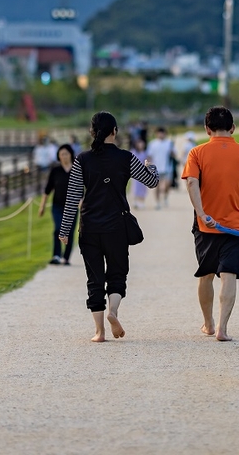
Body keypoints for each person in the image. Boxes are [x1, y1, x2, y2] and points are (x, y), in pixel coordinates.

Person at [59, 111, 159, 342]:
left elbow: (72, 196)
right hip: (116, 226)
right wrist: (150, 166)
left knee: (94, 278)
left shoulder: (82, 159)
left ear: (92, 132)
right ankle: (113, 312)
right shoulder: (126, 157)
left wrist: (64, 230)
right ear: (115, 131)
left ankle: (99, 332)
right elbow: (151, 181)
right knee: (117, 273)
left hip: (90, 227)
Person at [182, 106, 239, 342]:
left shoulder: (196, 153)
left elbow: (191, 183)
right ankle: (222, 328)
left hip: (205, 226)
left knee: (206, 274)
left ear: (206, 129)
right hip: (236, 226)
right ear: (232, 128)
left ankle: (208, 324)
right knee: (228, 275)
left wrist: (202, 213)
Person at [39, 144, 77, 265]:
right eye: (61, 154)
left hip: (72, 207)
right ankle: (56, 255)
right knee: (58, 228)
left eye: (66, 154)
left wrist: (81, 201)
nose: (64, 156)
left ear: (71, 154)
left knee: (70, 231)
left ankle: (66, 257)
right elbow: (47, 190)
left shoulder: (77, 170)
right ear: (58, 156)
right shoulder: (55, 171)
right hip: (57, 206)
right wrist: (42, 207)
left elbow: (81, 189)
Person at [146, 127, 174, 209]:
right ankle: (157, 202)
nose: (161, 134)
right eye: (159, 133)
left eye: (162, 133)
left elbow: (174, 155)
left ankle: (165, 196)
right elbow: (149, 156)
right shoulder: (152, 144)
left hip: (167, 167)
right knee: (157, 186)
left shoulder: (169, 143)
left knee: (167, 185)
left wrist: (172, 153)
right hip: (156, 168)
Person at [130, 137, 150, 210]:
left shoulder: (145, 153)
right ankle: (135, 201)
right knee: (135, 187)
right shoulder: (133, 152)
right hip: (135, 172)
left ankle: (141, 202)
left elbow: (148, 162)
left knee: (142, 188)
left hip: (143, 173)